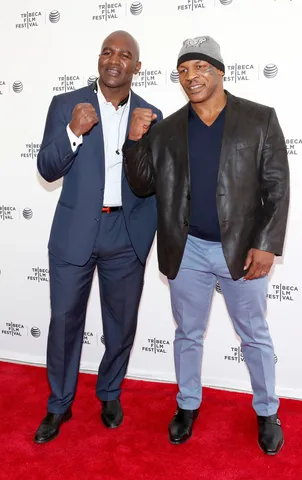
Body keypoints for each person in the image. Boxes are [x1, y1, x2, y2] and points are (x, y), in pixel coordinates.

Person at [124, 36, 289, 455]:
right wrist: (134, 140)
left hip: (242, 251)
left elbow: (276, 187)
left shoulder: (259, 119)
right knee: (188, 334)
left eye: (199, 68)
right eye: (183, 70)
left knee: (254, 334)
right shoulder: (166, 130)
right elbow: (143, 185)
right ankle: (187, 405)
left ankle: (268, 411)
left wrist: (267, 244)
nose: (190, 77)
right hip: (188, 249)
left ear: (219, 71)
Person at [35, 30, 162, 444]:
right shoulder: (66, 104)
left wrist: (139, 143)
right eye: (108, 51)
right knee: (65, 321)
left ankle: (109, 392)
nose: (115, 59)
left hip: (126, 232)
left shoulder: (150, 114)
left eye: (125, 55)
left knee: (121, 324)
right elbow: (48, 168)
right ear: (98, 59)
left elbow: (150, 183)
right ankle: (59, 404)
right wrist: (73, 132)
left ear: (136, 68)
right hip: (75, 231)